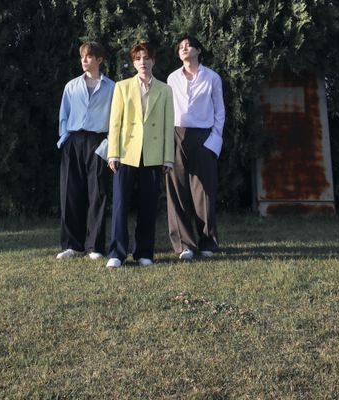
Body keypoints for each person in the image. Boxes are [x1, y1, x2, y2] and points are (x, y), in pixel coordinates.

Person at [106, 41, 174, 267]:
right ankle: (117, 254)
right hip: (126, 154)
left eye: (146, 58)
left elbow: (168, 126)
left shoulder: (165, 90)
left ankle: (144, 252)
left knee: (148, 205)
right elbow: (115, 123)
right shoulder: (122, 87)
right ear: (133, 63)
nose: (142, 62)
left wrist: (168, 158)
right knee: (120, 204)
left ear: (153, 61)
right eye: (138, 59)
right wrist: (113, 154)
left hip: (153, 155)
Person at [166, 34, 225, 260]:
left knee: (204, 192)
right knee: (177, 191)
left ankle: (208, 242)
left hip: (204, 137)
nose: (184, 48)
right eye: (180, 46)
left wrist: (214, 142)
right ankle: (184, 245)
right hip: (177, 135)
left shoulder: (212, 77)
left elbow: (219, 111)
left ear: (198, 50)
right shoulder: (172, 78)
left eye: (189, 45)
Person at [56, 41, 115, 260]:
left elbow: (116, 119)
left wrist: (107, 145)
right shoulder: (71, 86)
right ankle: (73, 245)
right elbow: (64, 114)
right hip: (74, 141)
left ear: (99, 60)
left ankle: (95, 246)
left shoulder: (112, 87)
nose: (84, 60)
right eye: (82, 56)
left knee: (97, 193)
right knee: (70, 193)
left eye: (89, 56)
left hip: (98, 142)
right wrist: (65, 139)